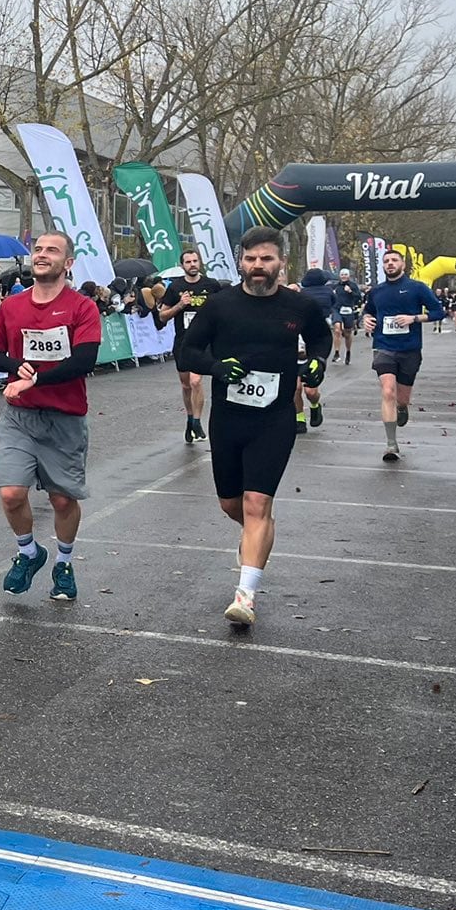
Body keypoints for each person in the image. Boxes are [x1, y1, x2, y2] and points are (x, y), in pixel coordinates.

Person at [177, 226, 331, 628]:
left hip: (275, 419)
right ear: (240, 262)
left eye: (266, 259)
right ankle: (255, 541)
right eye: (250, 259)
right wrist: (215, 367)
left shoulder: (300, 307)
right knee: (233, 505)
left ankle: (245, 596)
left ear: (281, 262)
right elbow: (186, 351)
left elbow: (321, 339)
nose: (257, 267)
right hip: (229, 419)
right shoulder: (219, 306)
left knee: (256, 504)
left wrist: (318, 362)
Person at [0, 230, 101, 603]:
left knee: (63, 501)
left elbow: (84, 361)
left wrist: (33, 381)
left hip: (65, 418)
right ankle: (29, 552)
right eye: (38, 249)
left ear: (68, 263)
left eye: (52, 250)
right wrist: (19, 368)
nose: (42, 255)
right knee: (11, 493)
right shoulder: (12, 307)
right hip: (19, 417)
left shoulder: (82, 307)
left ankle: (64, 562)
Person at [362, 248, 445, 463]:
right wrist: (367, 319)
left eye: (394, 260)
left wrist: (414, 318)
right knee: (388, 391)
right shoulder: (376, 291)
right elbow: (368, 311)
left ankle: (402, 407)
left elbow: (438, 311)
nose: (390, 263)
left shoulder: (416, 288)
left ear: (402, 265)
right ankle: (391, 444)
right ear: (383, 266)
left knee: (402, 398)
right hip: (383, 346)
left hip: (409, 349)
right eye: (386, 261)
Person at [156, 250, 223, 444]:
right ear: (182, 265)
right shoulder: (176, 287)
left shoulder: (211, 285)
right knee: (186, 385)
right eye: (188, 262)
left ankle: (197, 421)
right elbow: (162, 316)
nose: (192, 264)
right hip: (183, 341)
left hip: (205, 342)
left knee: (195, 382)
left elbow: (223, 310)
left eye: (195, 261)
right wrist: (180, 305)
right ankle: (189, 418)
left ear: (199, 263)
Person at [297, 267, 340, 432]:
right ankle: (299, 418)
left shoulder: (326, 292)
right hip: (294, 347)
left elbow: (333, 305)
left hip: (313, 344)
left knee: (310, 391)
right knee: (295, 388)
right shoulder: (300, 295)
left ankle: (315, 405)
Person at [330, 268, 363, 364]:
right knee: (337, 330)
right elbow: (330, 297)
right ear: (340, 276)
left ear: (348, 276)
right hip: (337, 309)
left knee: (348, 334)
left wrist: (350, 292)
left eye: (345, 274)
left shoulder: (353, 285)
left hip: (348, 310)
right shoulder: (335, 286)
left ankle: (348, 352)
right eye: (342, 274)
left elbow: (359, 298)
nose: (343, 276)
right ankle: (336, 353)